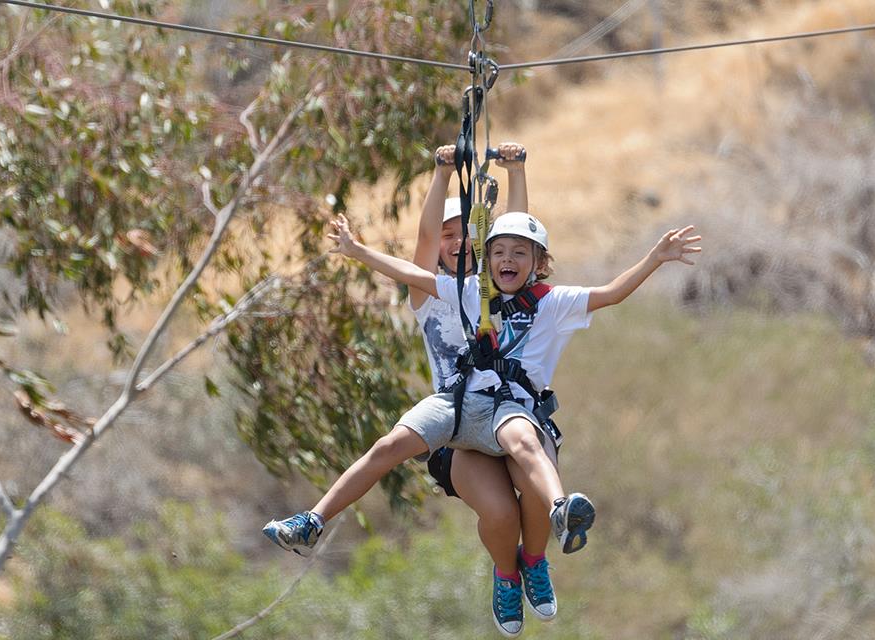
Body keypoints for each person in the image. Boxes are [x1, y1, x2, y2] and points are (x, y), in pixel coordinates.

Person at [265, 179, 701, 637]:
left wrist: (655, 258)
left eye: (520, 254)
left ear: (537, 264)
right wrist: (357, 251)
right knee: (391, 443)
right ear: (485, 257)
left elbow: (611, 292)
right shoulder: (470, 291)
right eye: (499, 253)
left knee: (521, 440)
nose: (508, 261)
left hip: (509, 407)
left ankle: (556, 513)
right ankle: (313, 520)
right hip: (458, 406)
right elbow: (411, 273)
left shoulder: (553, 303)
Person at [413, 143, 561, 635]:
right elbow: (424, 233)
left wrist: (517, 170)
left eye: (465, 235)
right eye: (447, 236)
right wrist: (441, 174)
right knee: (499, 513)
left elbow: (517, 235)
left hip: (509, 416)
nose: (455, 244)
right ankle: (506, 576)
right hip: (462, 427)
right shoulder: (428, 294)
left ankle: (534, 562)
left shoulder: (491, 290)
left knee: (539, 492)